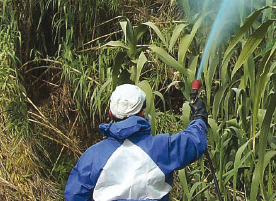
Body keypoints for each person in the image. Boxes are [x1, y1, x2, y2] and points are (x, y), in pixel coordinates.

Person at [64, 84, 208, 201]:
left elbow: (74, 195)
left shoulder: (93, 156)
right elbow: (194, 141)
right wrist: (199, 116)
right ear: (142, 113)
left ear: (110, 113)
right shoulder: (161, 148)